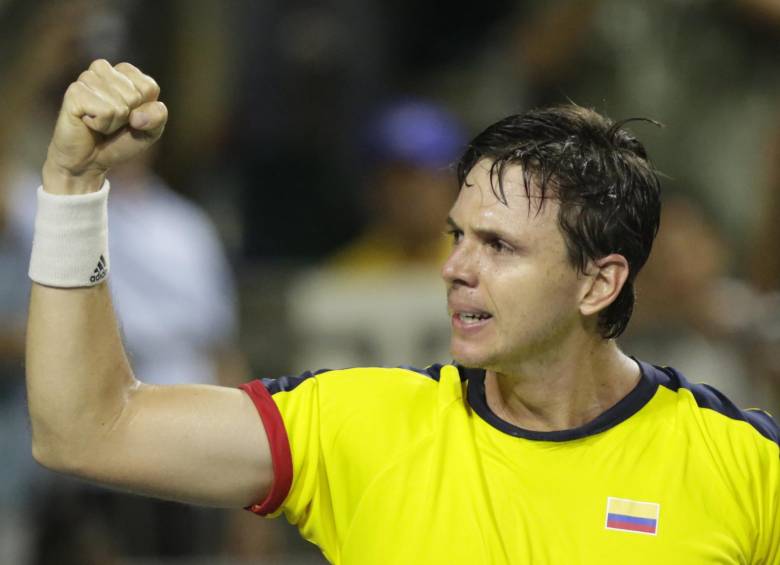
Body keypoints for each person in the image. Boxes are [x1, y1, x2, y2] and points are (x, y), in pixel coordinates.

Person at [25, 60, 779, 564]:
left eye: (499, 246)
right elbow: (86, 430)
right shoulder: (361, 427)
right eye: (459, 236)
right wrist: (73, 185)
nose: (455, 267)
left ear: (598, 282)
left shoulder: (747, 465)